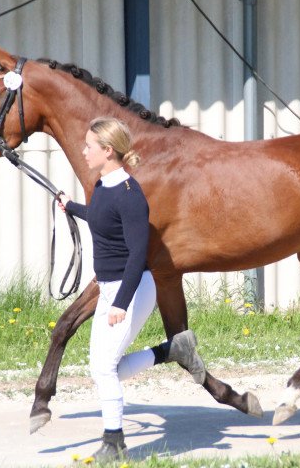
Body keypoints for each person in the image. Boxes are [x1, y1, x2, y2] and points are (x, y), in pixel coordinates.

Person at [58, 116, 205, 462]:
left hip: (133, 289)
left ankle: (114, 442)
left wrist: (120, 303)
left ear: (107, 151)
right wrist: (70, 206)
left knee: (105, 369)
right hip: (112, 289)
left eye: (89, 146)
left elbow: (138, 253)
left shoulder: (130, 195)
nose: (84, 150)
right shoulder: (104, 186)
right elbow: (99, 217)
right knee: (104, 368)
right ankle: (171, 351)